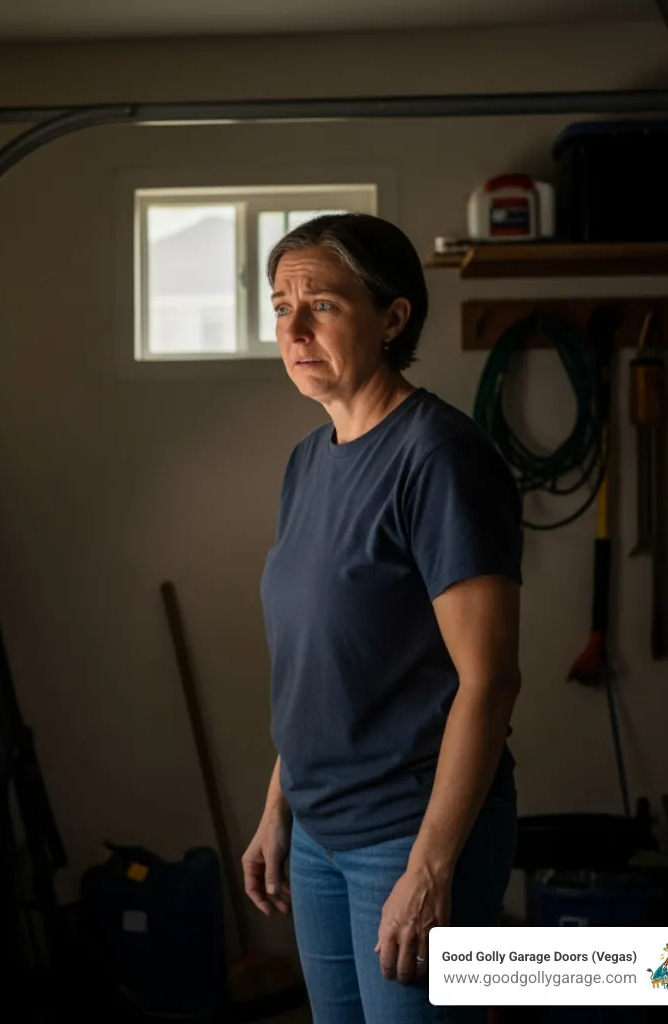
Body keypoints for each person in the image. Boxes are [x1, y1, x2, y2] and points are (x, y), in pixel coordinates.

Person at [242, 213, 523, 1023]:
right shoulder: (309, 460)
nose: (292, 328)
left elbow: (490, 678)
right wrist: (278, 808)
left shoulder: (439, 458)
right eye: (279, 305)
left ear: (393, 319)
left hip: (409, 834)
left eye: (321, 305)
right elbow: (318, 659)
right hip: (320, 833)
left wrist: (431, 869)